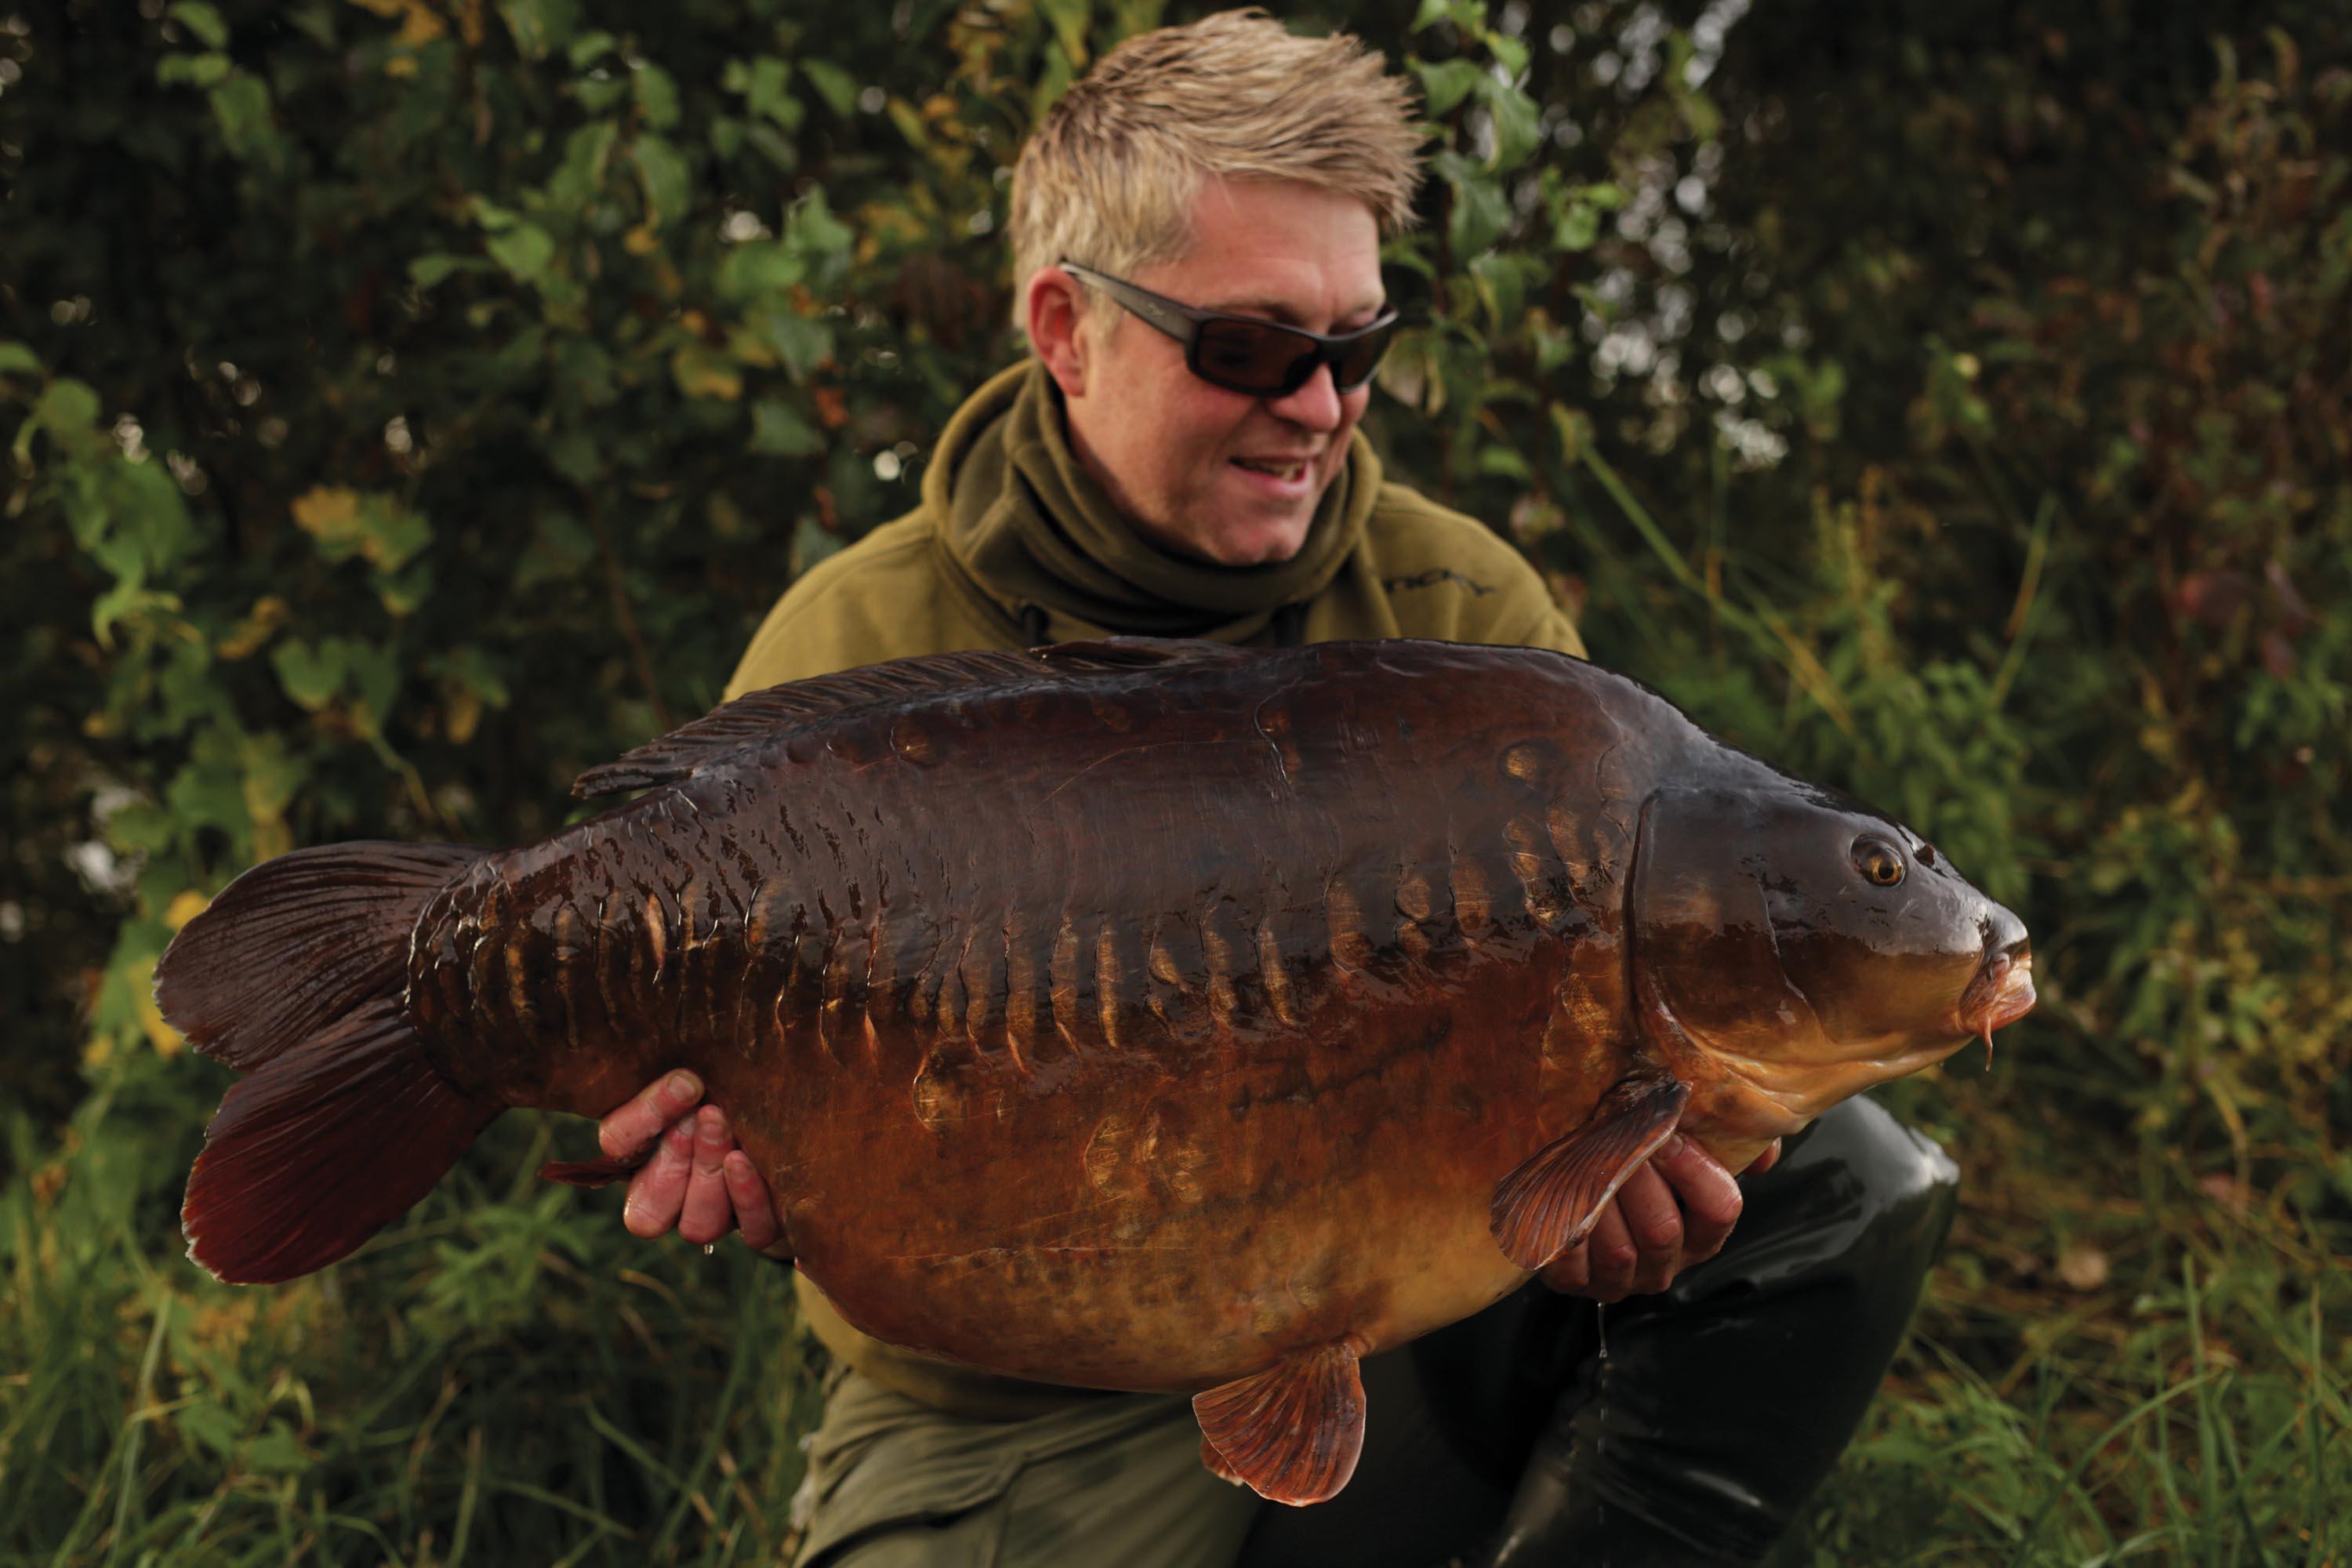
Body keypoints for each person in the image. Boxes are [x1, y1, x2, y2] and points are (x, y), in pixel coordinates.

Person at [590, 12, 1959, 1565]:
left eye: (1355, 348)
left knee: (1846, 1182)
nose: (1315, 404)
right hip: (1018, 1391)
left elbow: (1596, 1082)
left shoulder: (1467, 621)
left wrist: (1608, 1214)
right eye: (1247, 347)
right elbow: (784, 1140)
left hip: (1405, 1319)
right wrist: (756, 1151)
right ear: (1064, 326)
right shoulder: (857, 650)